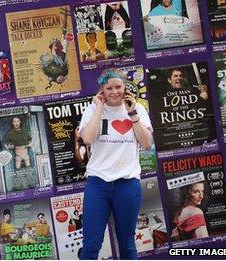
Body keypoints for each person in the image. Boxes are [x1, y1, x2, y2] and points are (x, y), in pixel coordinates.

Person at [78, 68, 153, 259]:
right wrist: (98, 109)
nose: (114, 92)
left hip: (127, 184)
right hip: (98, 184)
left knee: (127, 244)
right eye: (109, 88)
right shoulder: (93, 109)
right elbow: (87, 138)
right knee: (91, 245)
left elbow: (146, 143)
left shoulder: (138, 109)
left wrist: (133, 113)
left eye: (118, 87)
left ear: (125, 87)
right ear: (102, 90)